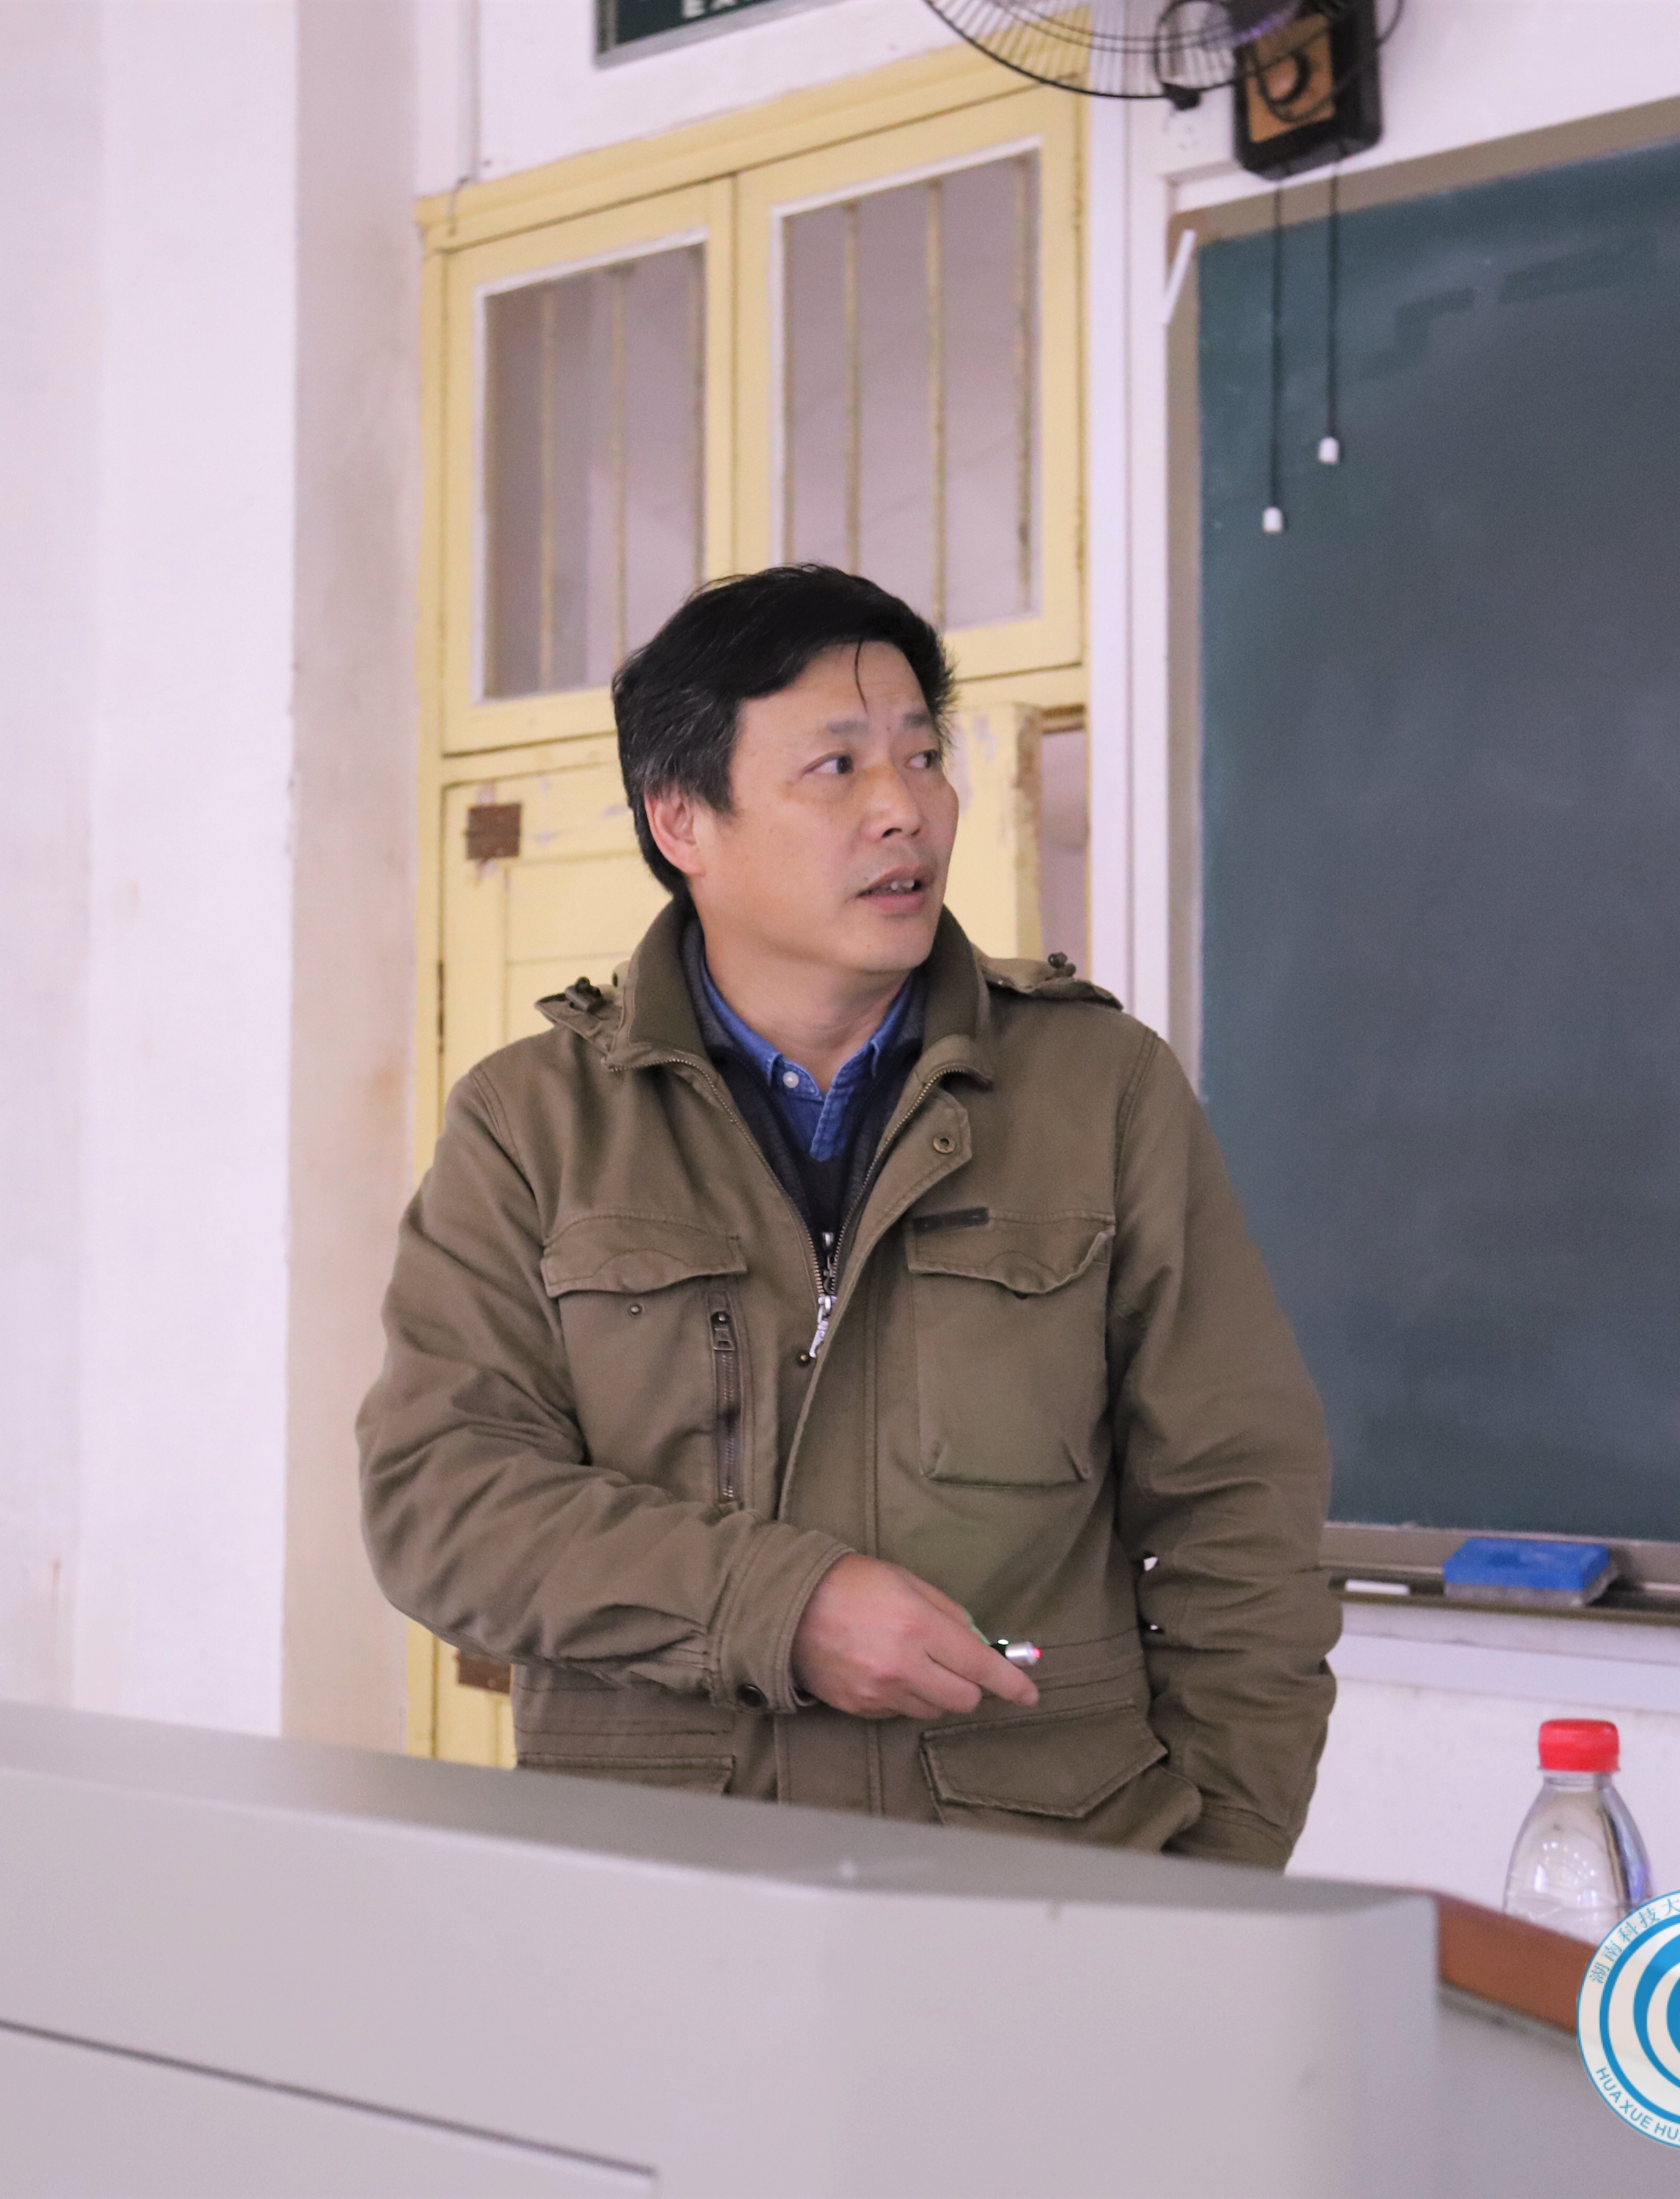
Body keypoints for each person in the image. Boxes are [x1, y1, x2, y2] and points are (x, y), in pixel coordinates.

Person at [357, 565, 1335, 1864]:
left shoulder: (1099, 1092)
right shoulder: (533, 1124)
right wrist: (783, 1607)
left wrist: (1222, 1872)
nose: (905, 809)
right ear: (681, 818)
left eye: (924, 757)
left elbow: (1239, 1509)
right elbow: (443, 1500)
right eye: (839, 767)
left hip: (1040, 1879)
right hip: (669, 1891)